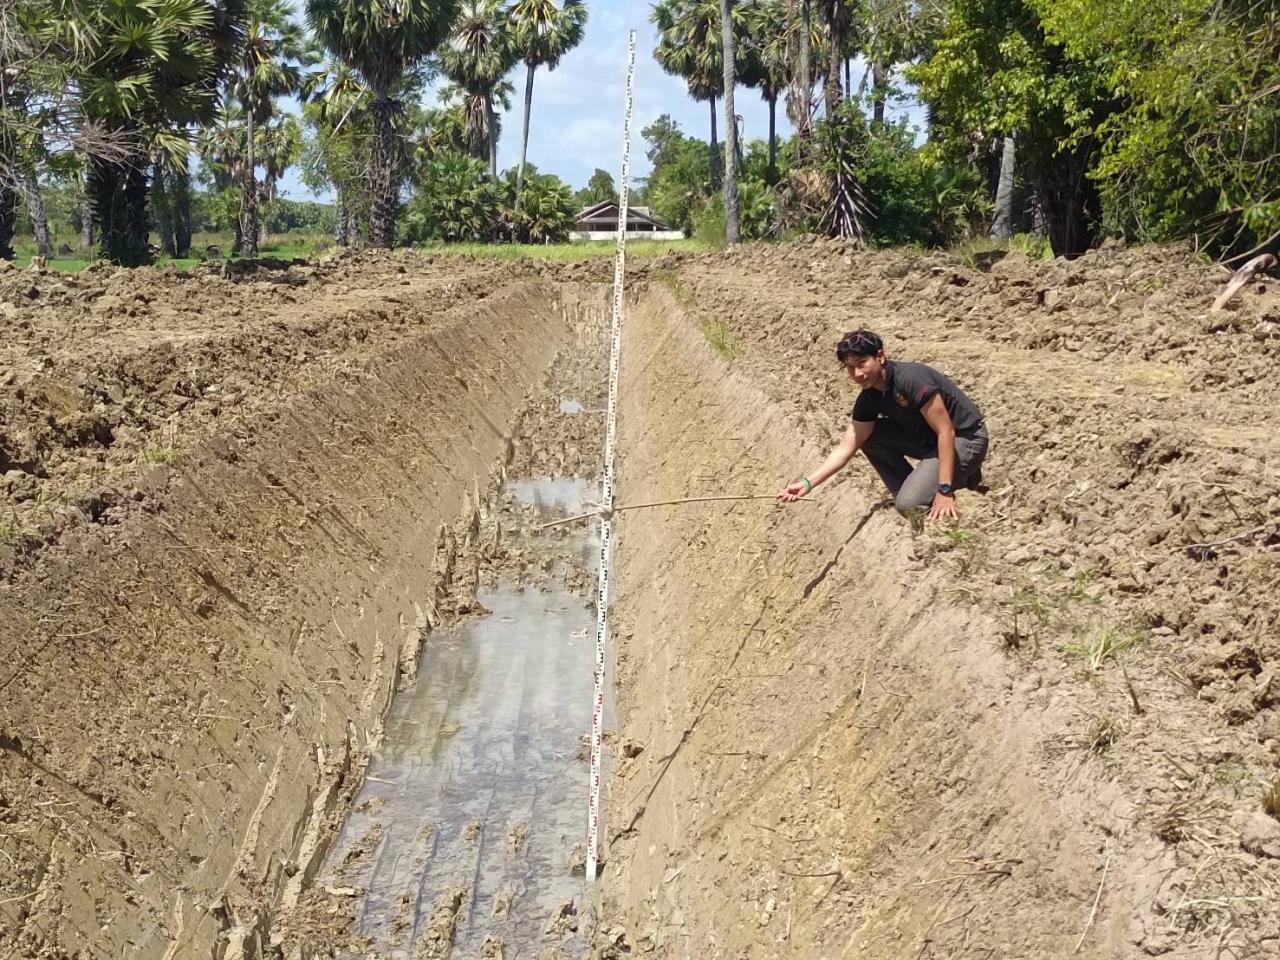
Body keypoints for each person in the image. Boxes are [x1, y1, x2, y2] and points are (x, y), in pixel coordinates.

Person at [778, 329, 989, 520]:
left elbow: (946, 431)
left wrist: (944, 490)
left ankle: (943, 485)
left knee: (909, 505)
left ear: (880, 356)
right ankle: (917, 489)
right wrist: (807, 483)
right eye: (850, 368)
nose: (857, 374)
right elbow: (846, 448)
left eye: (862, 363)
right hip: (928, 439)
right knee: (869, 436)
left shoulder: (911, 380)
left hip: (964, 437)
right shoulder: (869, 397)